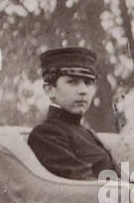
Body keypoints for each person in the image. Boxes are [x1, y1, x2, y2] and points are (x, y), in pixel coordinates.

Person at [28, 47, 120, 181]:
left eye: (88, 83)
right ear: (49, 90)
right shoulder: (46, 135)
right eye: (72, 82)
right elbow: (83, 186)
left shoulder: (88, 134)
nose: (83, 90)